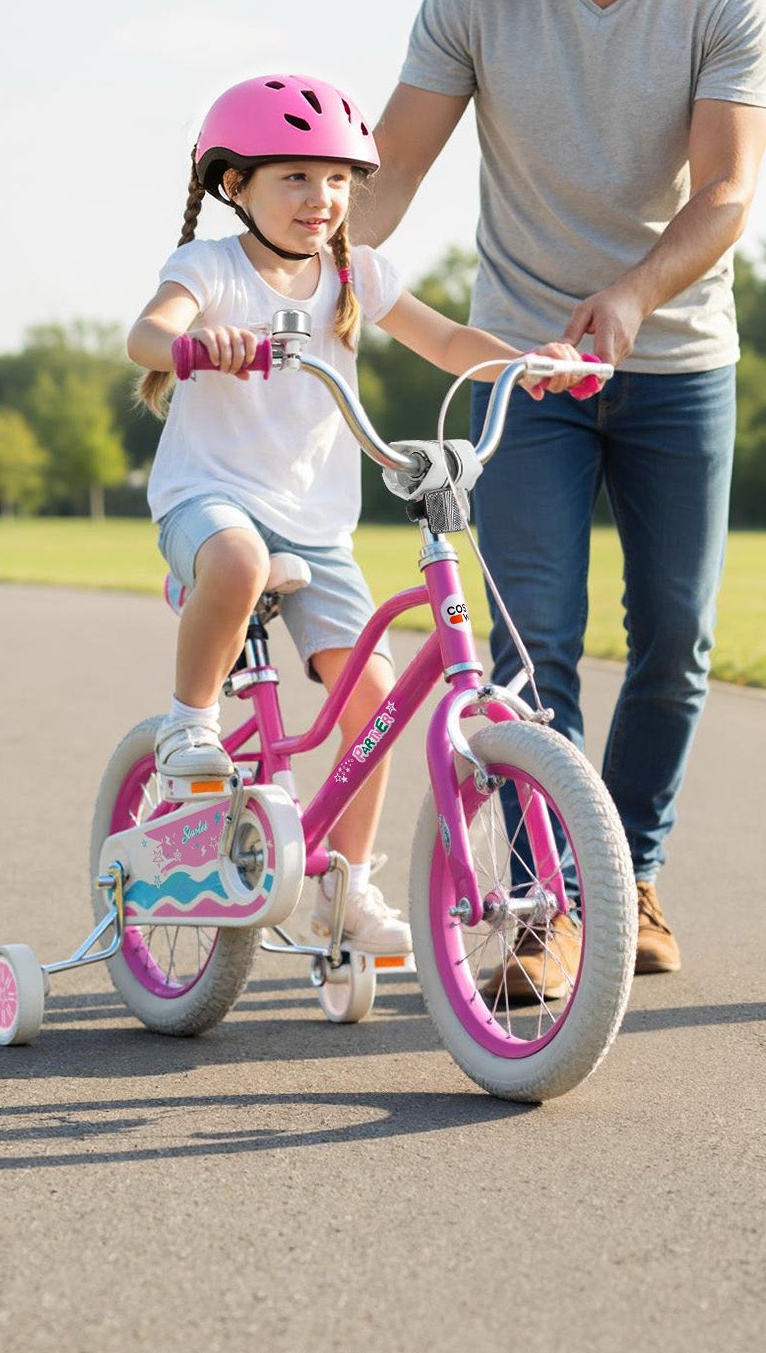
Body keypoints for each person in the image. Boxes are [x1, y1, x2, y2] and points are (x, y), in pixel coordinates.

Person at [354, 0, 766, 993]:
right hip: (517, 366)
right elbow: (387, 176)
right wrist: (306, 273)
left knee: (674, 645)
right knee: (531, 645)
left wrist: (637, 292)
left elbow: (727, 190)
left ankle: (623, 872)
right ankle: (545, 899)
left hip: (675, 358)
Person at [127, 73, 588, 957]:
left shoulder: (356, 274)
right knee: (236, 563)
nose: (321, 198)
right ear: (236, 185)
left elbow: (449, 344)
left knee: (373, 694)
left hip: (316, 524)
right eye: (295, 176)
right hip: (208, 501)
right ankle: (191, 724)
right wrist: (198, 344)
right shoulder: (211, 269)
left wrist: (525, 364)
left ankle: (345, 883)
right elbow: (146, 335)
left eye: (338, 178)